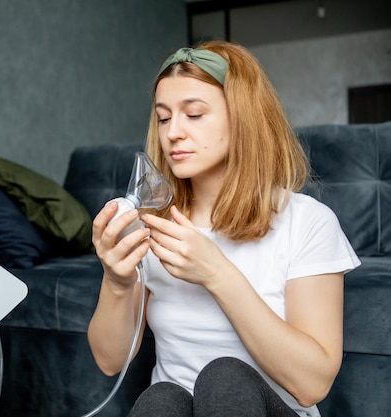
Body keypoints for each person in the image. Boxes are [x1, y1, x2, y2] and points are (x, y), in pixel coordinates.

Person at [87, 40, 361, 417]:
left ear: (243, 118)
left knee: (225, 377)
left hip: (271, 407)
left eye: (194, 114)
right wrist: (116, 283)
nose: (173, 133)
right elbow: (109, 362)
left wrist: (217, 274)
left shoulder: (307, 222)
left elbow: (312, 385)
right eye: (164, 117)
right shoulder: (153, 224)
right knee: (160, 399)